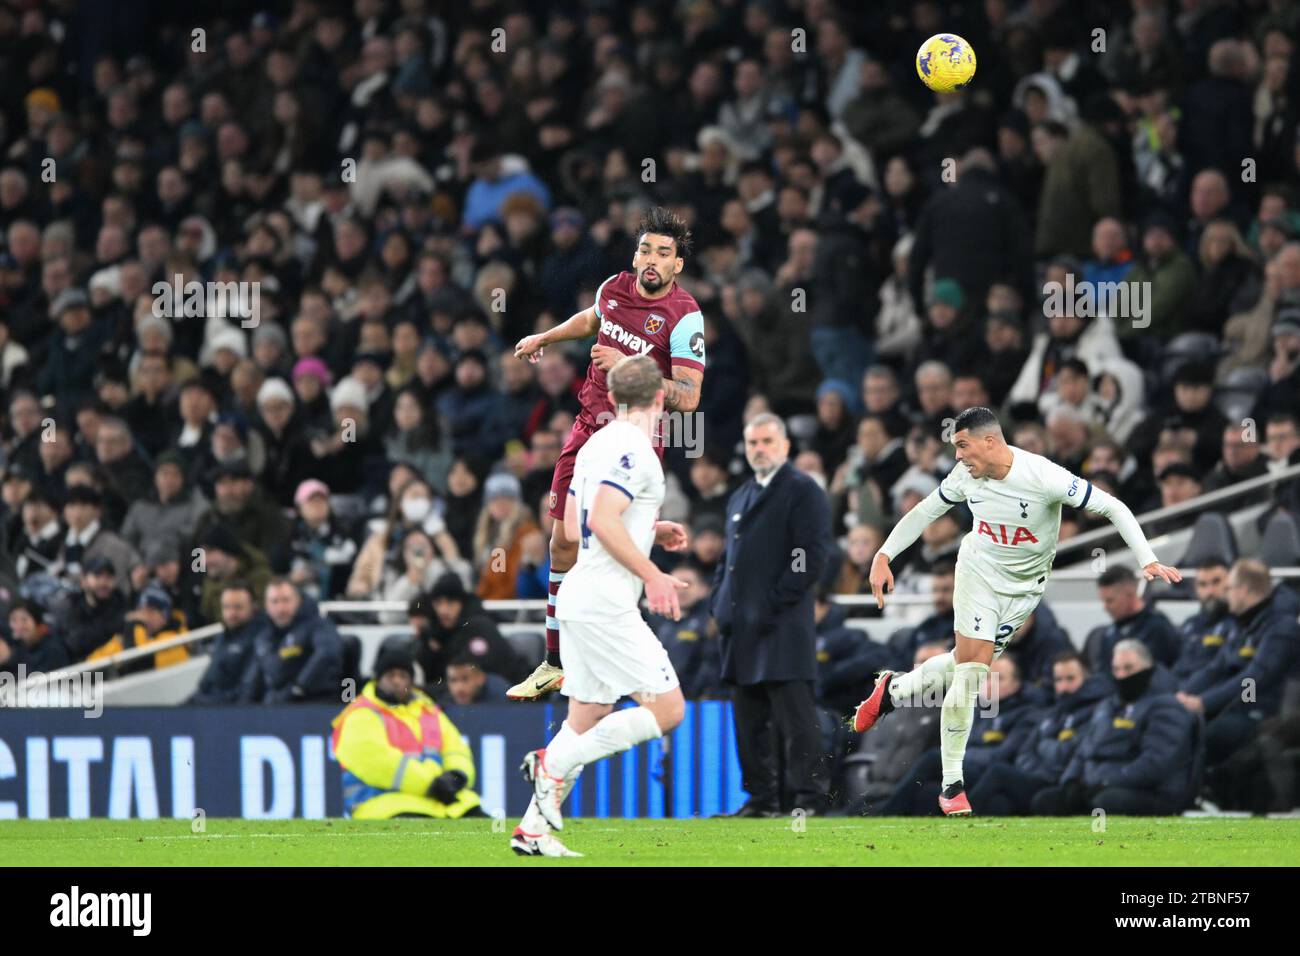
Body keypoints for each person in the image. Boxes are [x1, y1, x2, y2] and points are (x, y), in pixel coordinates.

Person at [852, 406, 1180, 815]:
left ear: (990, 441)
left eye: (962, 445)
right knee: (972, 673)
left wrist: (1146, 559)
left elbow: (1113, 507)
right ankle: (952, 784)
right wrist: (884, 554)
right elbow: (923, 513)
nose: (957, 456)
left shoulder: (1044, 477)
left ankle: (893, 691)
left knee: (960, 665)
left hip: (1024, 590)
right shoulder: (965, 477)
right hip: (977, 573)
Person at [509, 207, 706, 700]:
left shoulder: (685, 316)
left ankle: (619, 664)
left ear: (678, 264)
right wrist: (546, 337)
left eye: (664, 253)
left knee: (608, 552)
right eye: (645, 249)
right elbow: (593, 320)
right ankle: (554, 661)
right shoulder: (614, 287)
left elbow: (688, 397)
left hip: (634, 437)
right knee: (562, 544)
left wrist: (628, 364)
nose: (651, 260)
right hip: (585, 429)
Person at [514, 355, 691, 857]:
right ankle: (549, 762)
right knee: (669, 709)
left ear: (611, 399)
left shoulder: (594, 444)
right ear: (661, 398)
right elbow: (606, 524)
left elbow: (574, 528)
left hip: (575, 596)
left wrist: (649, 529)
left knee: (589, 713)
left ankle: (532, 829)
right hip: (606, 605)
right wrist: (652, 573)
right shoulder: (638, 450)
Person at [710, 412, 833, 816]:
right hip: (739, 630)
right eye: (752, 443)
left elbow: (808, 556)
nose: (759, 450)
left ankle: (809, 799)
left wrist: (775, 602)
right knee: (749, 723)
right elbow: (726, 559)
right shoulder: (742, 494)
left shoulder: (802, 490)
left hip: (782, 627)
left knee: (796, 721)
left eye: (766, 442)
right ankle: (761, 800)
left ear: (785, 446)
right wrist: (719, 601)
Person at [1031, 639, 1196, 815]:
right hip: (1099, 785)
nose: (1122, 675)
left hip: (1150, 791)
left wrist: (1107, 781)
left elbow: (1154, 764)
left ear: (1148, 667)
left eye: (1129, 668)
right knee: (1047, 800)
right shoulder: (1108, 706)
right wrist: (1071, 780)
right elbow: (1085, 749)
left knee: (1104, 802)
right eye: (1117, 669)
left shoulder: (1168, 707)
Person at [331, 638, 484, 819]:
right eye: (391, 675)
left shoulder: (427, 709)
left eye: (403, 675)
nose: (397, 681)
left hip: (435, 800)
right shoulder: (361, 713)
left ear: (412, 681)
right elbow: (379, 762)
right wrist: (432, 784)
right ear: (378, 679)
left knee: (482, 822)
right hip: (380, 803)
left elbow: (455, 749)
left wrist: (456, 776)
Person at [967, 650, 1110, 815]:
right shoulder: (1053, 713)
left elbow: (1073, 753)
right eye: (1058, 680)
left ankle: (960, 820)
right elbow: (1025, 753)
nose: (1063, 686)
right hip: (1037, 777)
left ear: (1086, 679)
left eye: (1070, 679)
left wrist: (1045, 751)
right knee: (998, 803)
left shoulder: (1096, 712)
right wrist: (1037, 769)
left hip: (1058, 783)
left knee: (998, 772)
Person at [238, 578, 343, 704]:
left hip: (314, 703)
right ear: (266, 605)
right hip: (273, 708)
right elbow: (253, 681)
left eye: (286, 600)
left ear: (298, 600)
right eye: (275, 602)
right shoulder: (263, 637)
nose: (281, 608)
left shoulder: (318, 625)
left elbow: (327, 654)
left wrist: (297, 688)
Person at [1083, 566, 1181, 673]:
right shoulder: (1110, 633)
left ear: (1129, 594)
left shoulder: (1157, 628)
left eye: (1110, 601)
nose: (1105, 607)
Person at [188, 581, 264, 705]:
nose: (231, 613)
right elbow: (206, 683)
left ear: (253, 607)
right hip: (209, 705)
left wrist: (206, 703)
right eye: (226, 607)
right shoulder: (222, 636)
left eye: (238, 607)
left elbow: (247, 690)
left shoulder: (260, 637)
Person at [86, 585, 189, 673]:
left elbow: (139, 664)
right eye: (140, 610)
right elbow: (93, 664)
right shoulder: (134, 635)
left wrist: (134, 624)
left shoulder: (174, 638)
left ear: (165, 617)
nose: (144, 616)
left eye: (151, 611)